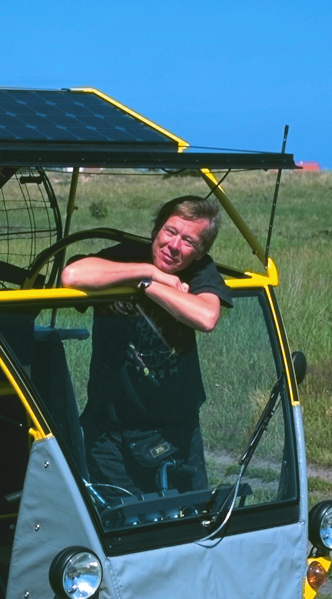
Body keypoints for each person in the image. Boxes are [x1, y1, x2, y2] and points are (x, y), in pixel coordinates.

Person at [60, 196, 232, 495]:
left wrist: (148, 288)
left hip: (179, 428)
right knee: (122, 527)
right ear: (156, 230)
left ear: (201, 251)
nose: (174, 246)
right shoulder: (126, 256)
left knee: (190, 520)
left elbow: (206, 317)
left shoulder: (200, 271)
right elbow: (72, 276)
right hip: (111, 431)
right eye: (170, 231)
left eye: (189, 241)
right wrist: (148, 273)